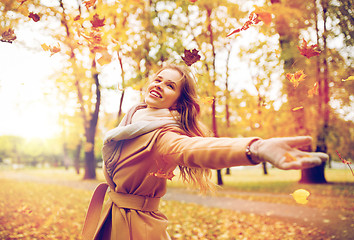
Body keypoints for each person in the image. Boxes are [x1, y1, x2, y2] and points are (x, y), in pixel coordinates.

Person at [82, 64, 328, 240]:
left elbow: (197, 149)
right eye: (158, 79)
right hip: (113, 216)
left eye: (170, 86)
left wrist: (256, 148)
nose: (159, 85)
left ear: (177, 102)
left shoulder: (165, 136)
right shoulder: (131, 121)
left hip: (136, 228)